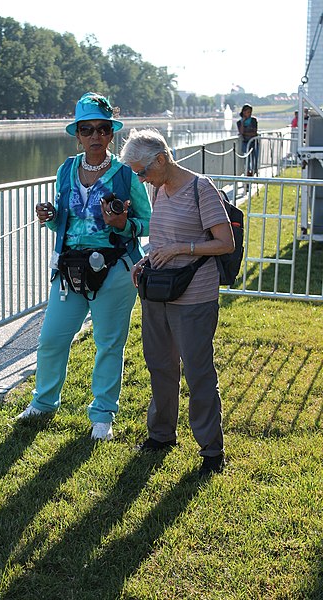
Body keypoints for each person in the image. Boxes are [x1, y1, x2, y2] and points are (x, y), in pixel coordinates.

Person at [17, 93, 151, 441]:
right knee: (51, 339)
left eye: (102, 129)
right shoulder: (66, 170)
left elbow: (148, 221)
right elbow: (65, 218)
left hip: (116, 269)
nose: (95, 136)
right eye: (87, 129)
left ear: (111, 134)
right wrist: (49, 217)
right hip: (69, 269)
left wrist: (122, 224)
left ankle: (103, 415)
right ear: (77, 134)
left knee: (109, 344)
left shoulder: (125, 176)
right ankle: (44, 402)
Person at [120, 128, 234, 476]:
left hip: (194, 297)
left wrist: (183, 249)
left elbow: (225, 243)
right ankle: (161, 435)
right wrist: (147, 259)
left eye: (142, 171)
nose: (140, 179)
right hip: (158, 293)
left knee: (198, 373)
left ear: (161, 159)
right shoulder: (158, 189)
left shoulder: (202, 189)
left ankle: (211, 451)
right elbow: (163, 239)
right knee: (160, 366)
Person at [237, 103, 258, 176]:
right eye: (248, 112)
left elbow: (254, 132)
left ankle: (254, 172)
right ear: (244, 112)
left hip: (254, 142)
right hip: (245, 143)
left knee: (255, 158)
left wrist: (246, 133)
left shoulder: (253, 120)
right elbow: (241, 132)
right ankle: (248, 172)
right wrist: (243, 122)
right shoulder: (239, 122)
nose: (249, 114)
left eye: (250, 112)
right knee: (246, 159)